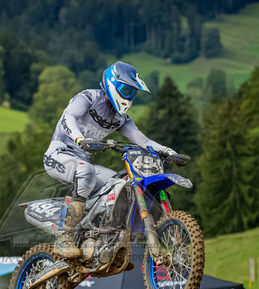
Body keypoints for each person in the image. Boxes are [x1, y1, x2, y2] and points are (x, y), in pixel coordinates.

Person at [44, 61, 178, 258]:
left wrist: (167, 151)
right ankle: (64, 237)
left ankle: (104, 239)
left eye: (132, 93)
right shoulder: (88, 97)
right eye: (126, 90)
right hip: (59, 153)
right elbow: (68, 117)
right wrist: (80, 139)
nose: (128, 97)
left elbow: (143, 141)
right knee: (85, 172)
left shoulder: (121, 118)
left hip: (83, 161)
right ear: (112, 84)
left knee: (122, 186)